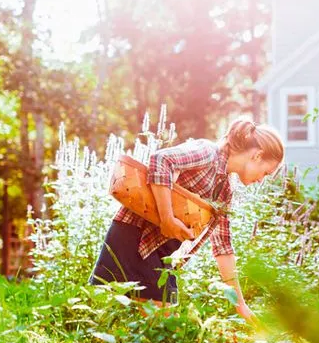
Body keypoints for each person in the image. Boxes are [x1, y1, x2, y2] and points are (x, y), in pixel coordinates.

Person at [89, 116, 284, 322]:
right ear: (257, 155)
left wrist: (241, 306)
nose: (261, 179)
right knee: (150, 323)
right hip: (136, 236)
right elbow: (161, 160)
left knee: (153, 326)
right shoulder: (207, 153)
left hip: (161, 251)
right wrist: (167, 218)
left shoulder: (225, 190)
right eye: (266, 172)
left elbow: (223, 248)